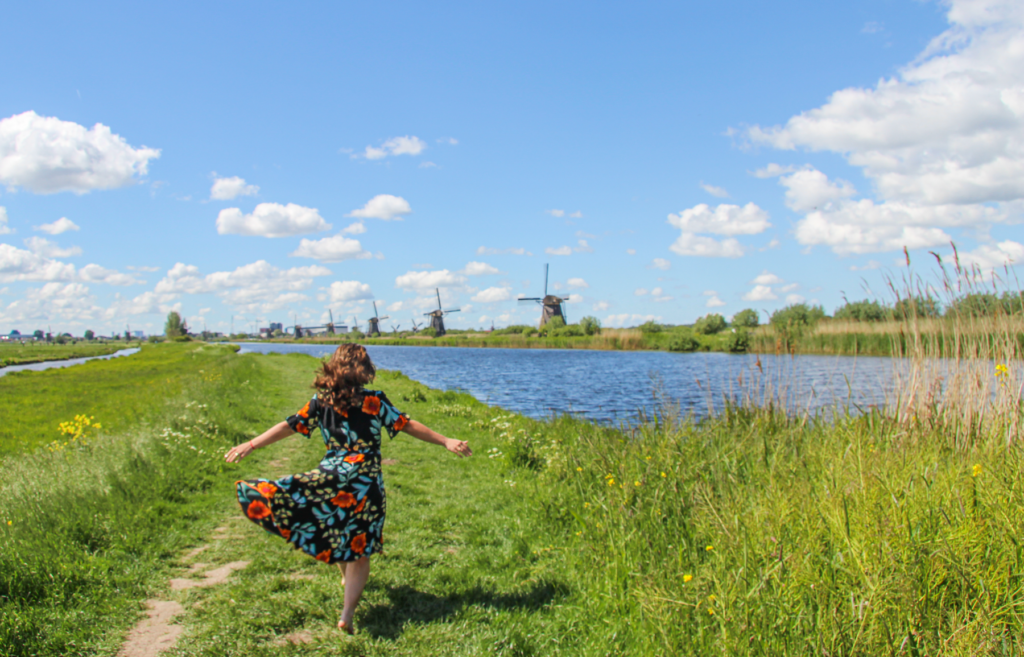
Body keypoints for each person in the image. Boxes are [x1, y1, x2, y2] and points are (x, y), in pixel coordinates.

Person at [224, 344, 471, 634]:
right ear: (364, 369)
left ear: (334, 366)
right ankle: (347, 614)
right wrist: (445, 440)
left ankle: (344, 581)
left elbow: (290, 425)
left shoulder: (321, 401)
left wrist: (251, 444)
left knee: (337, 532)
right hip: (366, 481)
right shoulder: (374, 401)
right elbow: (405, 424)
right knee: (359, 547)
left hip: (333, 478)